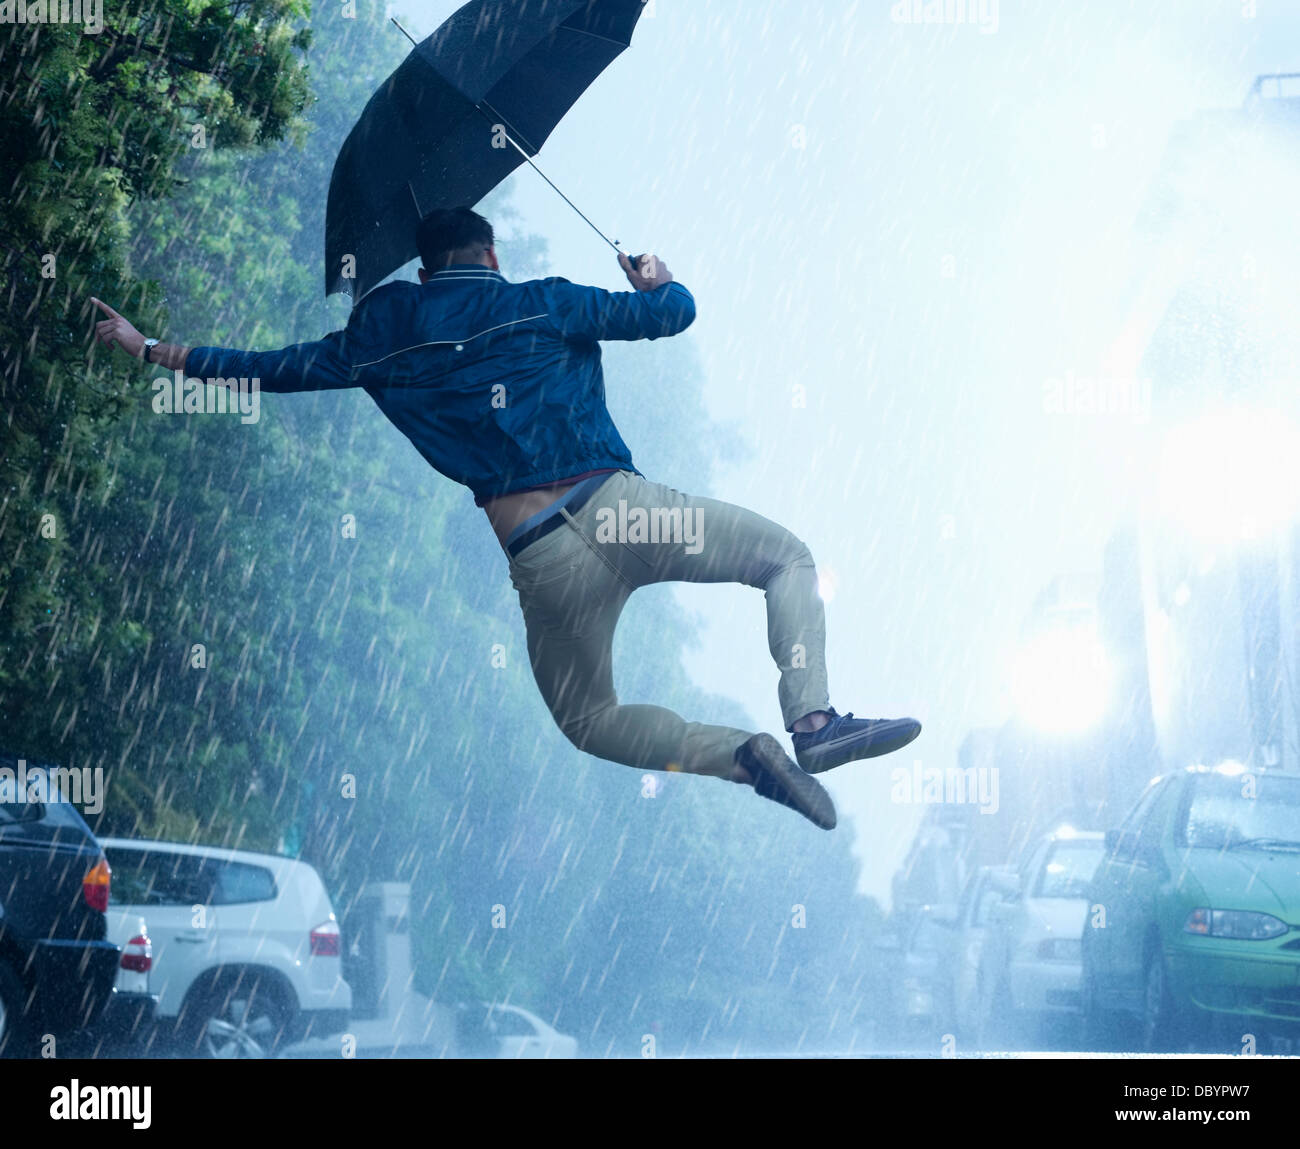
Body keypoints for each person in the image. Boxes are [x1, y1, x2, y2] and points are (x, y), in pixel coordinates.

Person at [90, 206, 920, 829]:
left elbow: (272, 371)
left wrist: (151, 348)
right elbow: (673, 317)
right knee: (784, 559)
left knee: (590, 721)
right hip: (622, 510)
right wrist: (658, 278)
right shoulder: (546, 299)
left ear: (423, 272)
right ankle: (811, 721)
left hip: (538, 554)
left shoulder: (379, 339)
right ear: (490, 253)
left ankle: (741, 759)